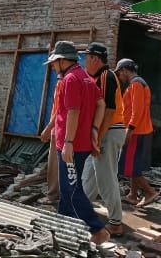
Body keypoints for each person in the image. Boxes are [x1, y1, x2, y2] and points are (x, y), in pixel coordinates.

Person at [44, 41, 110, 245]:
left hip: (72, 144)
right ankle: (64, 223)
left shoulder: (71, 79)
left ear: (63, 61)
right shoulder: (87, 79)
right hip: (78, 143)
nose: (53, 67)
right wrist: (94, 129)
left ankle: (97, 229)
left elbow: (73, 111)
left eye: (55, 63)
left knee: (72, 190)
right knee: (67, 188)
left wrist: (69, 142)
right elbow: (101, 104)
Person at [81, 42, 126, 237]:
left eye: (86, 57)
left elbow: (109, 110)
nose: (84, 61)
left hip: (109, 131)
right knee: (89, 175)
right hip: (103, 132)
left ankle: (116, 222)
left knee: (106, 177)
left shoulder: (107, 76)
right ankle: (80, 211)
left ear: (94, 59)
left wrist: (97, 138)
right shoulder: (96, 77)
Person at [114, 58, 159, 208]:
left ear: (125, 70)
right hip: (140, 130)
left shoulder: (136, 84)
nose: (119, 77)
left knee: (129, 166)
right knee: (134, 165)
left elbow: (137, 110)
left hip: (137, 132)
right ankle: (133, 195)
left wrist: (129, 130)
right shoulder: (137, 84)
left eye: (119, 73)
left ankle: (149, 192)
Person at [38, 59, 62, 205]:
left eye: (53, 64)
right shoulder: (77, 77)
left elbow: (60, 109)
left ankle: (53, 195)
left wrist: (48, 128)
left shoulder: (63, 81)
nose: (52, 67)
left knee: (54, 164)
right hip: (64, 128)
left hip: (59, 128)